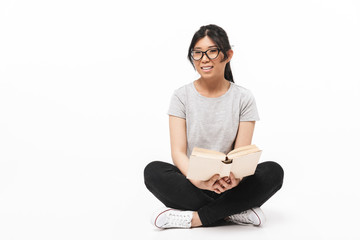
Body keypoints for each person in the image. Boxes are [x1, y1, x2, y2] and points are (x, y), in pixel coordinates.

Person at [143, 24, 284, 229]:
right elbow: (179, 153)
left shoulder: (243, 98)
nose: (204, 59)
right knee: (153, 171)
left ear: (227, 55)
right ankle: (235, 212)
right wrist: (198, 180)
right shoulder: (181, 96)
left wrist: (234, 180)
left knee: (273, 171)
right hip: (193, 183)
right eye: (197, 53)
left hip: (231, 184)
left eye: (212, 51)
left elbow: (240, 155)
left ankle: (194, 219)